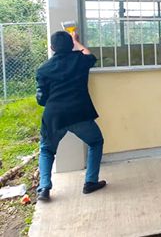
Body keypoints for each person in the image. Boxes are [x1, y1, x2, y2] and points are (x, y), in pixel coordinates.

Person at [35, 31, 106, 201]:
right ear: (71, 45)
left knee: (46, 150)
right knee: (95, 142)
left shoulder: (43, 69)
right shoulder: (79, 60)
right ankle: (90, 182)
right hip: (79, 113)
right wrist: (77, 42)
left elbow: (41, 99)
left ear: (52, 48)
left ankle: (44, 188)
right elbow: (90, 55)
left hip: (54, 116)